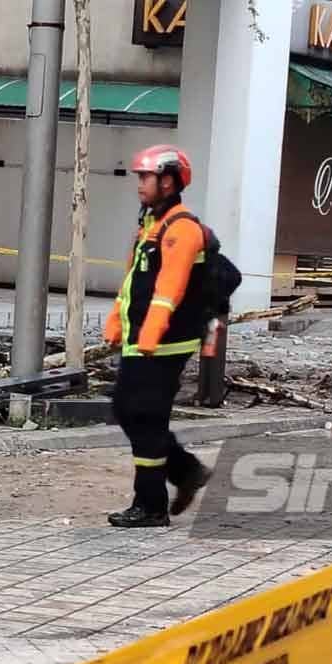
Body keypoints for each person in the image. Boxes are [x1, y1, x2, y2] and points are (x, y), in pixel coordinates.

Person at [103, 144, 214, 528]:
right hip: (143, 341)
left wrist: (149, 338)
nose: (139, 184)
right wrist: (118, 321)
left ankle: (151, 505)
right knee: (128, 410)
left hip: (165, 343)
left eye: (146, 177)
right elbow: (134, 282)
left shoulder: (181, 230)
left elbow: (170, 290)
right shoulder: (151, 225)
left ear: (168, 181)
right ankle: (185, 471)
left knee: (144, 416)